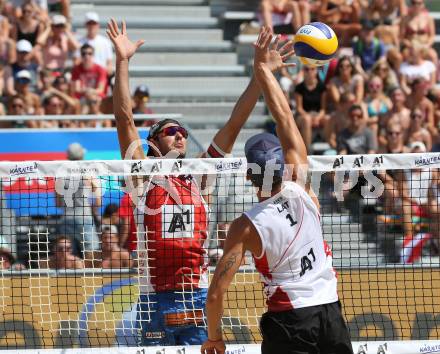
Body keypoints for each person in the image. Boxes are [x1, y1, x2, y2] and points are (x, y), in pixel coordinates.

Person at [106, 18, 295, 346]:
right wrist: (122, 62)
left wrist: (261, 74)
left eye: (182, 131)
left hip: (196, 296)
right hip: (156, 298)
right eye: (170, 131)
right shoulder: (143, 176)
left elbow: (236, 122)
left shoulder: (199, 175)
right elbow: (124, 118)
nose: (180, 135)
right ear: (153, 142)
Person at [201, 26, 353, 354]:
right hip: (331, 315)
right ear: (283, 165)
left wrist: (214, 337)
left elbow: (215, 294)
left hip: (289, 323)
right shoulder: (301, 186)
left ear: (247, 176)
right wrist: (264, 71)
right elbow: (284, 117)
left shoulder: (245, 226)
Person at [55, 143, 101, 256]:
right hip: (85, 217)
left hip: (67, 218)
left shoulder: (61, 174)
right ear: (82, 156)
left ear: (68, 156)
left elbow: (58, 204)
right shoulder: (89, 173)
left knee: (68, 256)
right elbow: (99, 202)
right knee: (91, 254)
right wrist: (94, 212)